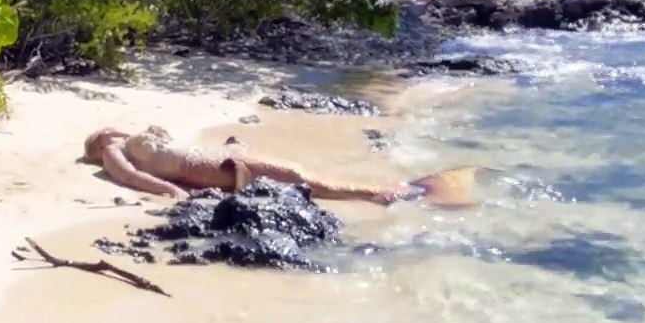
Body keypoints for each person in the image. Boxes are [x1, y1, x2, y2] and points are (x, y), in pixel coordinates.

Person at [79, 124, 468, 206]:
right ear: (98, 143)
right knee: (302, 179)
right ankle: (386, 195)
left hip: (224, 161)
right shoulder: (114, 150)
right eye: (102, 132)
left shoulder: (137, 140)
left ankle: (393, 192)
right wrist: (173, 192)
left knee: (302, 176)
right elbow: (131, 177)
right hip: (220, 169)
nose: (109, 128)